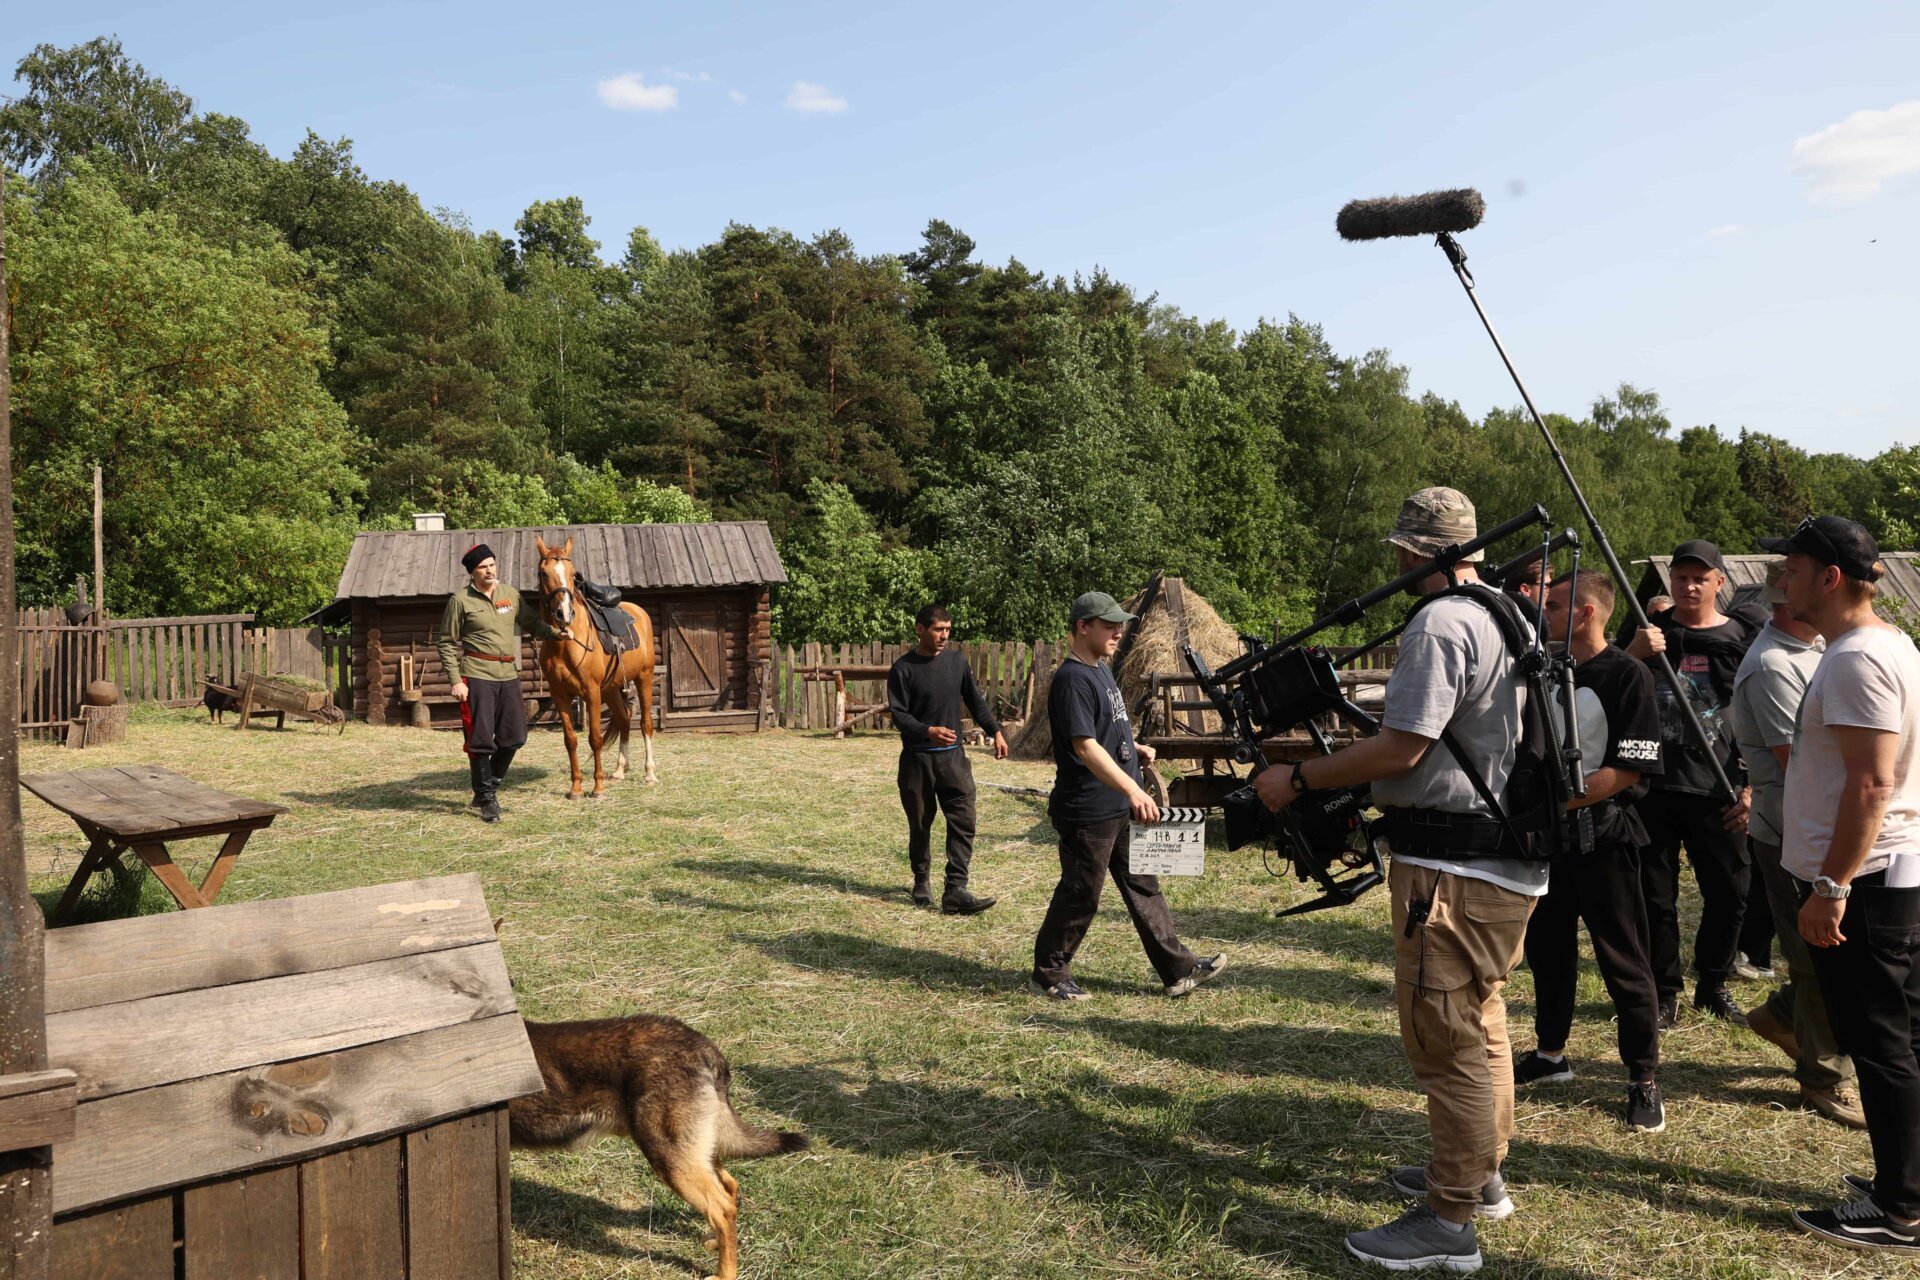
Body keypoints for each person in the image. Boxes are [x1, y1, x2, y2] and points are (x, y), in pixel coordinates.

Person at [1254, 487, 1545, 1273]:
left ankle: (1449, 1222)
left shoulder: (1442, 622)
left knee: (1445, 1040)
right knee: (1481, 1021)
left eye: (1400, 551)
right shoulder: (1509, 614)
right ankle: (1478, 1176)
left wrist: (1297, 777)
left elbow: (1402, 748)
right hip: (1504, 862)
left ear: (1415, 552)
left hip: (1451, 869)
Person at [1766, 517, 1920, 1253]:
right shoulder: (1889, 646)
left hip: (1869, 882)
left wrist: (1831, 885)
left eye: (1793, 569)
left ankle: (1901, 1209)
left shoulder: (1858, 658)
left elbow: (1870, 784)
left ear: (1830, 578)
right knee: (1900, 1038)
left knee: (1880, 1043)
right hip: (1887, 873)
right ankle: (1907, 1180)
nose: (1782, 581)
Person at [1514, 569, 1667, 1132]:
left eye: (1554, 606)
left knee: (1623, 960)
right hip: (1548, 844)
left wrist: (1558, 803)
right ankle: (1551, 1055)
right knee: (1548, 952)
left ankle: (1643, 1080)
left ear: (1586, 613)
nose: (1543, 613)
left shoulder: (1628, 675)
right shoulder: (1544, 669)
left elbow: (1629, 769)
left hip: (1606, 840)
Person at [1029, 591, 1225, 1002]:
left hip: (1115, 803)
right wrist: (1134, 788)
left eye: (1120, 625)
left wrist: (1132, 748)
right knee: (1081, 892)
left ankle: (1179, 970)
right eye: (1109, 625)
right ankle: (1049, 973)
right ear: (1083, 627)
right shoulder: (1072, 679)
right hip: (1088, 809)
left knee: (1143, 886)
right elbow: (1084, 746)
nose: (1118, 632)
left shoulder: (1099, 670)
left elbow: (1102, 730)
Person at [1730, 558, 1863, 1129]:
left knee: (1833, 954)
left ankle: (1783, 1017)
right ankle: (1824, 1079)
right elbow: (1805, 764)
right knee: (1816, 960)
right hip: (1792, 833)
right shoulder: (1774, 665)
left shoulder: (1813, 651)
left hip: (1814, 827)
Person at [1620, 540, 1756, 1027]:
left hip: (1720, 787)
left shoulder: (1744, 638)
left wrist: (1751, 787)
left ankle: (1713, 984)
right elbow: (1608, 692)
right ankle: (1664, 991)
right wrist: (1633, 654)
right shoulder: (1649, 631)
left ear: (1720, 582)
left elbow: (1763, 718)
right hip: (1653, 787)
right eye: (1681, 577)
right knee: (1655, 897)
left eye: (1700, 578)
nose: (1690, 586)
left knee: (1730, 891)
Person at [886, 605, 1007, 915]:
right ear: (920, 629)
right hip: (917, 761)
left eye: (948, 630)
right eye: (938, 629)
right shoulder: (903, 669)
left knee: (964, 820)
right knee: (920, 824)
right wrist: (928, 731)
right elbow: (899, 715)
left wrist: (996, 731)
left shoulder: (956, 662)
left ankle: (956, 888)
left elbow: (975, 701)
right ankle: (921, 879)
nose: (944, 636)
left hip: (953, 760)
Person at [437, 542, 555, 822]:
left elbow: (531, 623)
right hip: (477, 675)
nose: (489, 570)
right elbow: (446, 642)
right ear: (473, 572)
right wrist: (456, 680)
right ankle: (487, 799)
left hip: (508, 674)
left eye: (491, 564)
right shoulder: (460, 601)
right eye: (483, 567)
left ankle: (486, 787)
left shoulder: (509, 594)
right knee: (480, 740)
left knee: (515, 737)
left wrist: (555, 633)